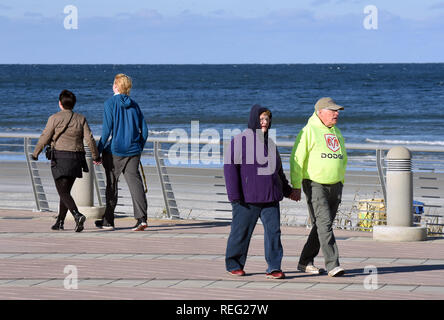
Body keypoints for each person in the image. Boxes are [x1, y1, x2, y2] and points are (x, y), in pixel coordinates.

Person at [224, 104, 298, 279]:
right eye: (261, 119)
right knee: (240, 233)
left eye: (267, 119)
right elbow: (230, 169)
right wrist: (234, 196)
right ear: (253, 120)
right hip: (246, 199)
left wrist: (288, 191)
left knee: (274, 233)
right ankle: (234, 264)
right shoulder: (240, 140)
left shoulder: (270, 143)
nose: (264, 122)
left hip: (270, 198)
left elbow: (278, 171)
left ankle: (274, 267)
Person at [290, 97, 348, 277]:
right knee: (324, 224)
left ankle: (305, 261)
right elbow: (296, 158)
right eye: (332, 110)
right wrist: (296, 185)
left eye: (337, 110)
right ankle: (333, 265)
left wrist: (341, 181)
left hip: (335, 185)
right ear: (320, 112)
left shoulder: (336, 132)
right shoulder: (309, 131)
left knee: (321, 226)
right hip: (315, 184)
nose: (336, 113)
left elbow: (343, 157)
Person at [32, 90, 100, 232]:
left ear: (60, 103)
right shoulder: (81, 118)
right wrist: (95, 156)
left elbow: (45, 136)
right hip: (76, 159)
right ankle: (60, 222)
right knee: (66, 191)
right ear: (73, 104)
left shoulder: (54, 118)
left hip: (60, 158)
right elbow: (90, 138)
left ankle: (77, 215)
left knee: (63, 192)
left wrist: (36, 153)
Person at [94, 73, 149, 231]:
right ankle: (141, 218)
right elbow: (144, 131)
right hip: (133, 150)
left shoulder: (109, 104)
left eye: (114, 83)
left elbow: (106, 132)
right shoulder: (135, 105)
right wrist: (139, 146)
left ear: (116, 86)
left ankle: (109, 221)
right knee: (135, 184)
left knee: (112, 185)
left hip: (115, 151)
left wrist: (98, 151)